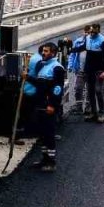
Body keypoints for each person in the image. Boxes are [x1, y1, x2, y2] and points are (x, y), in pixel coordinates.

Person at [23, 42, 65, 172]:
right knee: (42, 133)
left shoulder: (57, 68)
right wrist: (28, 78)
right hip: (40, 104)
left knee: (49, 133)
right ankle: (44, 159)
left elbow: (57, 88)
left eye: (46, 51)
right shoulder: (42, 65)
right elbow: (40, 84)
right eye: (43, 51)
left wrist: (53, 105)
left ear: (53, 53)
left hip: (49, 106)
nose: (43, 53)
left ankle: (51, 162)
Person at [72, 23, 104, 123]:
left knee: (98, 90)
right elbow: (83, 47)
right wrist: (71, 49)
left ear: (98, 30)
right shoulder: (88, 38)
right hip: (89, 69)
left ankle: (101, 112)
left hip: (99, 70)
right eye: (91, 32)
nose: (92, 34)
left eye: (94, 32)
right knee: (90, 92)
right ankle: (93, 112)